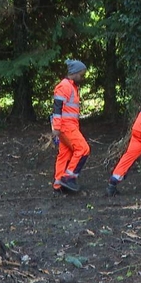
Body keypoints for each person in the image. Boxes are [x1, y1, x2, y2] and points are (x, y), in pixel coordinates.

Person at [51, 59, 90, 194]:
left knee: (65, 154)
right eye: (81, 74)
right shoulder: (64, 87)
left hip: (67, 126)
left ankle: (58, 185)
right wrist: (56, 129)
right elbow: (57, 109)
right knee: (83, 149)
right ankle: (68, 178)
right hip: (66, 127)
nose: (82, 77)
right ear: (74, 73)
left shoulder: (71, 86)